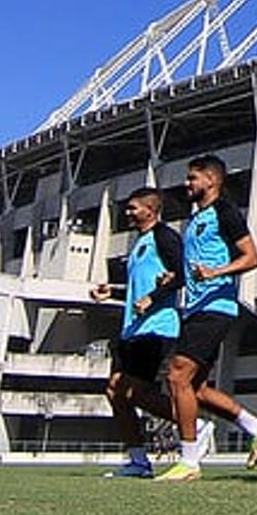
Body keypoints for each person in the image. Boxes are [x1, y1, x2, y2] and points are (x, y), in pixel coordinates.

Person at [157, 155, 257, 480]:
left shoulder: (225, 212)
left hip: (216, 307)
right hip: (193, 308)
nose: (187, 184)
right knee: (195, 388)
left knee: (177, 376)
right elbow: (192, 269)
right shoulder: (196, 220)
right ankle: (256, 427)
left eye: (192, 178)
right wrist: (173, 279)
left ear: (211, 180)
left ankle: (190, 460)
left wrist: (216, 272)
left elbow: (252, 257)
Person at [93, 187, 182, 478]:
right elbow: (139, 288)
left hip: (157, 327)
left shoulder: (164, 236)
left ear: (150, 210)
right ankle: (138, 460)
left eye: (133, 208)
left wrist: (153, 298)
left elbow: (180, 275)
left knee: (133, 391)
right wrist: (115, 292)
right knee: (115, 391)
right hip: (132, 328)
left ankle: (191, 423)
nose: (128, 213)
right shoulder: (140, 243)